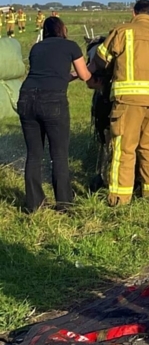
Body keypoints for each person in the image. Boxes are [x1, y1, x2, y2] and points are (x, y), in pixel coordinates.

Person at [87, 0, 149, 206]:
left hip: (129, 100)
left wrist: (94, 70)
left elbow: (101, 58)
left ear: (134, 13)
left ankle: (119, 198)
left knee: (124, 147)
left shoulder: (123, 31)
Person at [18, 16, 92, 212]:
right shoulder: (71, 46)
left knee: (34, 154)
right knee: (59, 154)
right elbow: (85, 75)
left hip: (26, 98)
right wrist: (88, 72)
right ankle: (64, 203)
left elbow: (46, 73)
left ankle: (34, 204)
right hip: (52, 101)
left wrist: (68, 76)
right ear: (62, 29)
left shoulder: (36, 48)